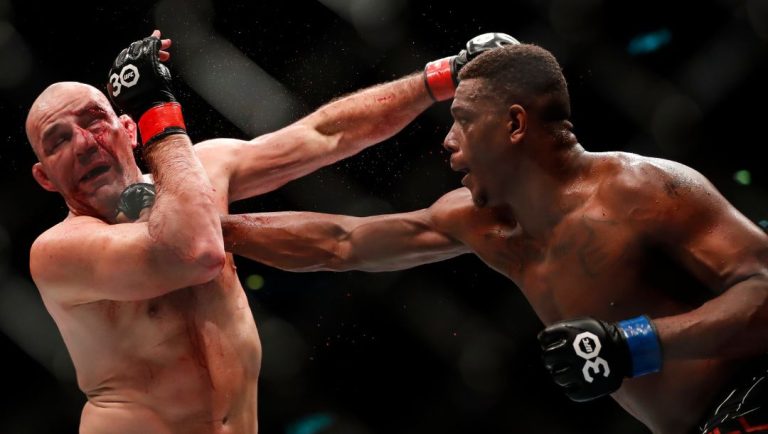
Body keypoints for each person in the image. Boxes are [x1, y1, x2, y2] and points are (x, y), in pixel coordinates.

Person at [219, 43, 768, 434]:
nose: (448, 141)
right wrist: (215, 230)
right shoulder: (481, 221)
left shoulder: (645, 189)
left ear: (513, 124)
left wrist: (632, 343)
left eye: (461, 120)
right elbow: (341, 242)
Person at [26, 29, 515, 433]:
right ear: (46, 176)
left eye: (93, 121)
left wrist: (447, 74)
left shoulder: (201, 172)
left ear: (126, 130)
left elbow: (324, 134)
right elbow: (195, 250)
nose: (83, 144)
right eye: (58, 141)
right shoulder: (58, 252)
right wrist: (161, 111)